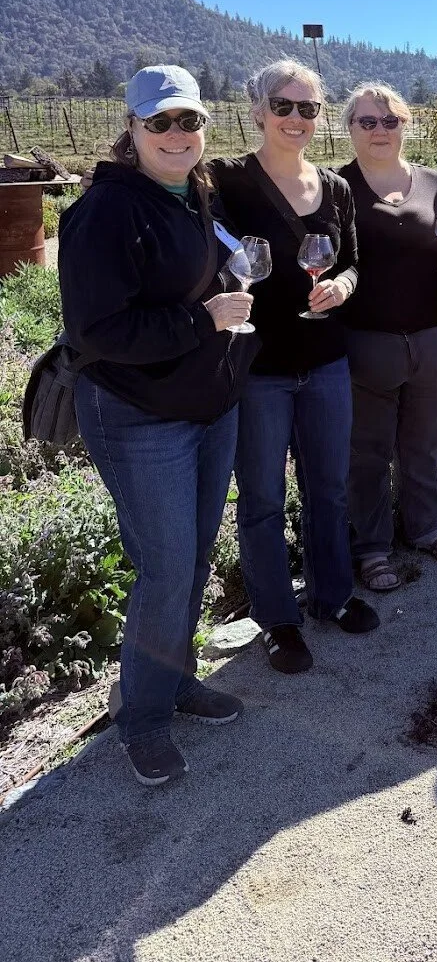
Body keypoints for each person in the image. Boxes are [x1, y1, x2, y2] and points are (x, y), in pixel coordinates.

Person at [59, 66, 256, 786]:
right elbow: (98, 329)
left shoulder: (192, 194)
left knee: (195, 555)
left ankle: (175, 681)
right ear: (133, 129)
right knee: (166, 567)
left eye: (190, 121)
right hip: (139, 415)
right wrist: (203, 318)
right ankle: (141, 718)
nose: (179, 135)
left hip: (203, 405)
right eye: (161, 122)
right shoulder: (106, 210)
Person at [210, 60, 378, 677]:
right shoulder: (227, 181)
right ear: (257, 112)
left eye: (309, 108)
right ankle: (278, 619)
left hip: (326, 360)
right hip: (259, 368)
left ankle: (332, 595)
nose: (297, 119)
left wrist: (342, 288)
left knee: (329, 486)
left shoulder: (334, 188)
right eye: (284, 106)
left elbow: (355, 263)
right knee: (260, 496)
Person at [338, 82, 437, 593]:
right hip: (367, 342)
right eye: (367, 121)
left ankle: (426, 529)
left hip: (433, 336)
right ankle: (372, 547)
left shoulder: (435, 182)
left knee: (424, 442)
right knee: (368, 451)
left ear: (405, 125)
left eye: (390, 120)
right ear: (349, 127)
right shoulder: (335, 188)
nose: (380, 130)